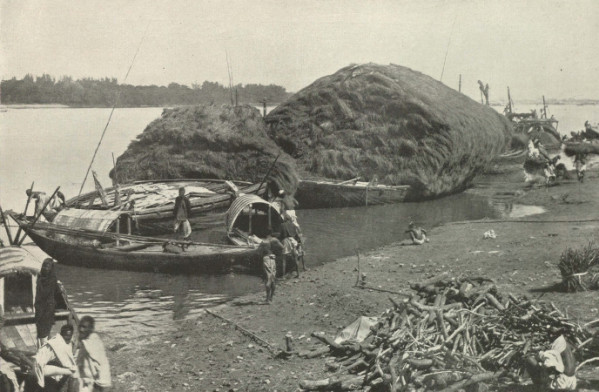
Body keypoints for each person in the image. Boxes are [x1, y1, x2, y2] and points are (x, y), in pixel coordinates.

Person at [33, 324, 79, 391]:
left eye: (69, 336)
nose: (67, 339)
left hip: (61, 375)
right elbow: (39, 362)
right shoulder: (57, 343)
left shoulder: (69, 342)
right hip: (45, 372)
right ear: (61, 334)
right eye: (65, 336)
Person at [77, 316, 111, 392]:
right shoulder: (85, 339)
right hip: (90, 378)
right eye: (80, 326)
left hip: (100, 381)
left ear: (91, 329)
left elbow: (101, 366)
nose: (81, 329)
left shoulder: (94, 342)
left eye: (84, 327)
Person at [35, 258, 61, 347]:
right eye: (44, 266)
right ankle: (41, 347)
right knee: (40, 330)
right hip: (39, 306)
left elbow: (46, 293)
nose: (45, 268)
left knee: (44, 330)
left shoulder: (52, 279)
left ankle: (43, 349)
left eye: (48, 266)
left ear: (51, 268)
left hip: (47, 307)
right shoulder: (40, 277)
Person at [278, 211, 302, 277]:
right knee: (295, 257)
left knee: (284, 259)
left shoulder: (282, 225)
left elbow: (281, 236)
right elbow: (296, 234)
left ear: (285, 218)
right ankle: (298, 274)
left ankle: (283, 276)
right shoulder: (293, 224)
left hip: (286, 241)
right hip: (293, 241)